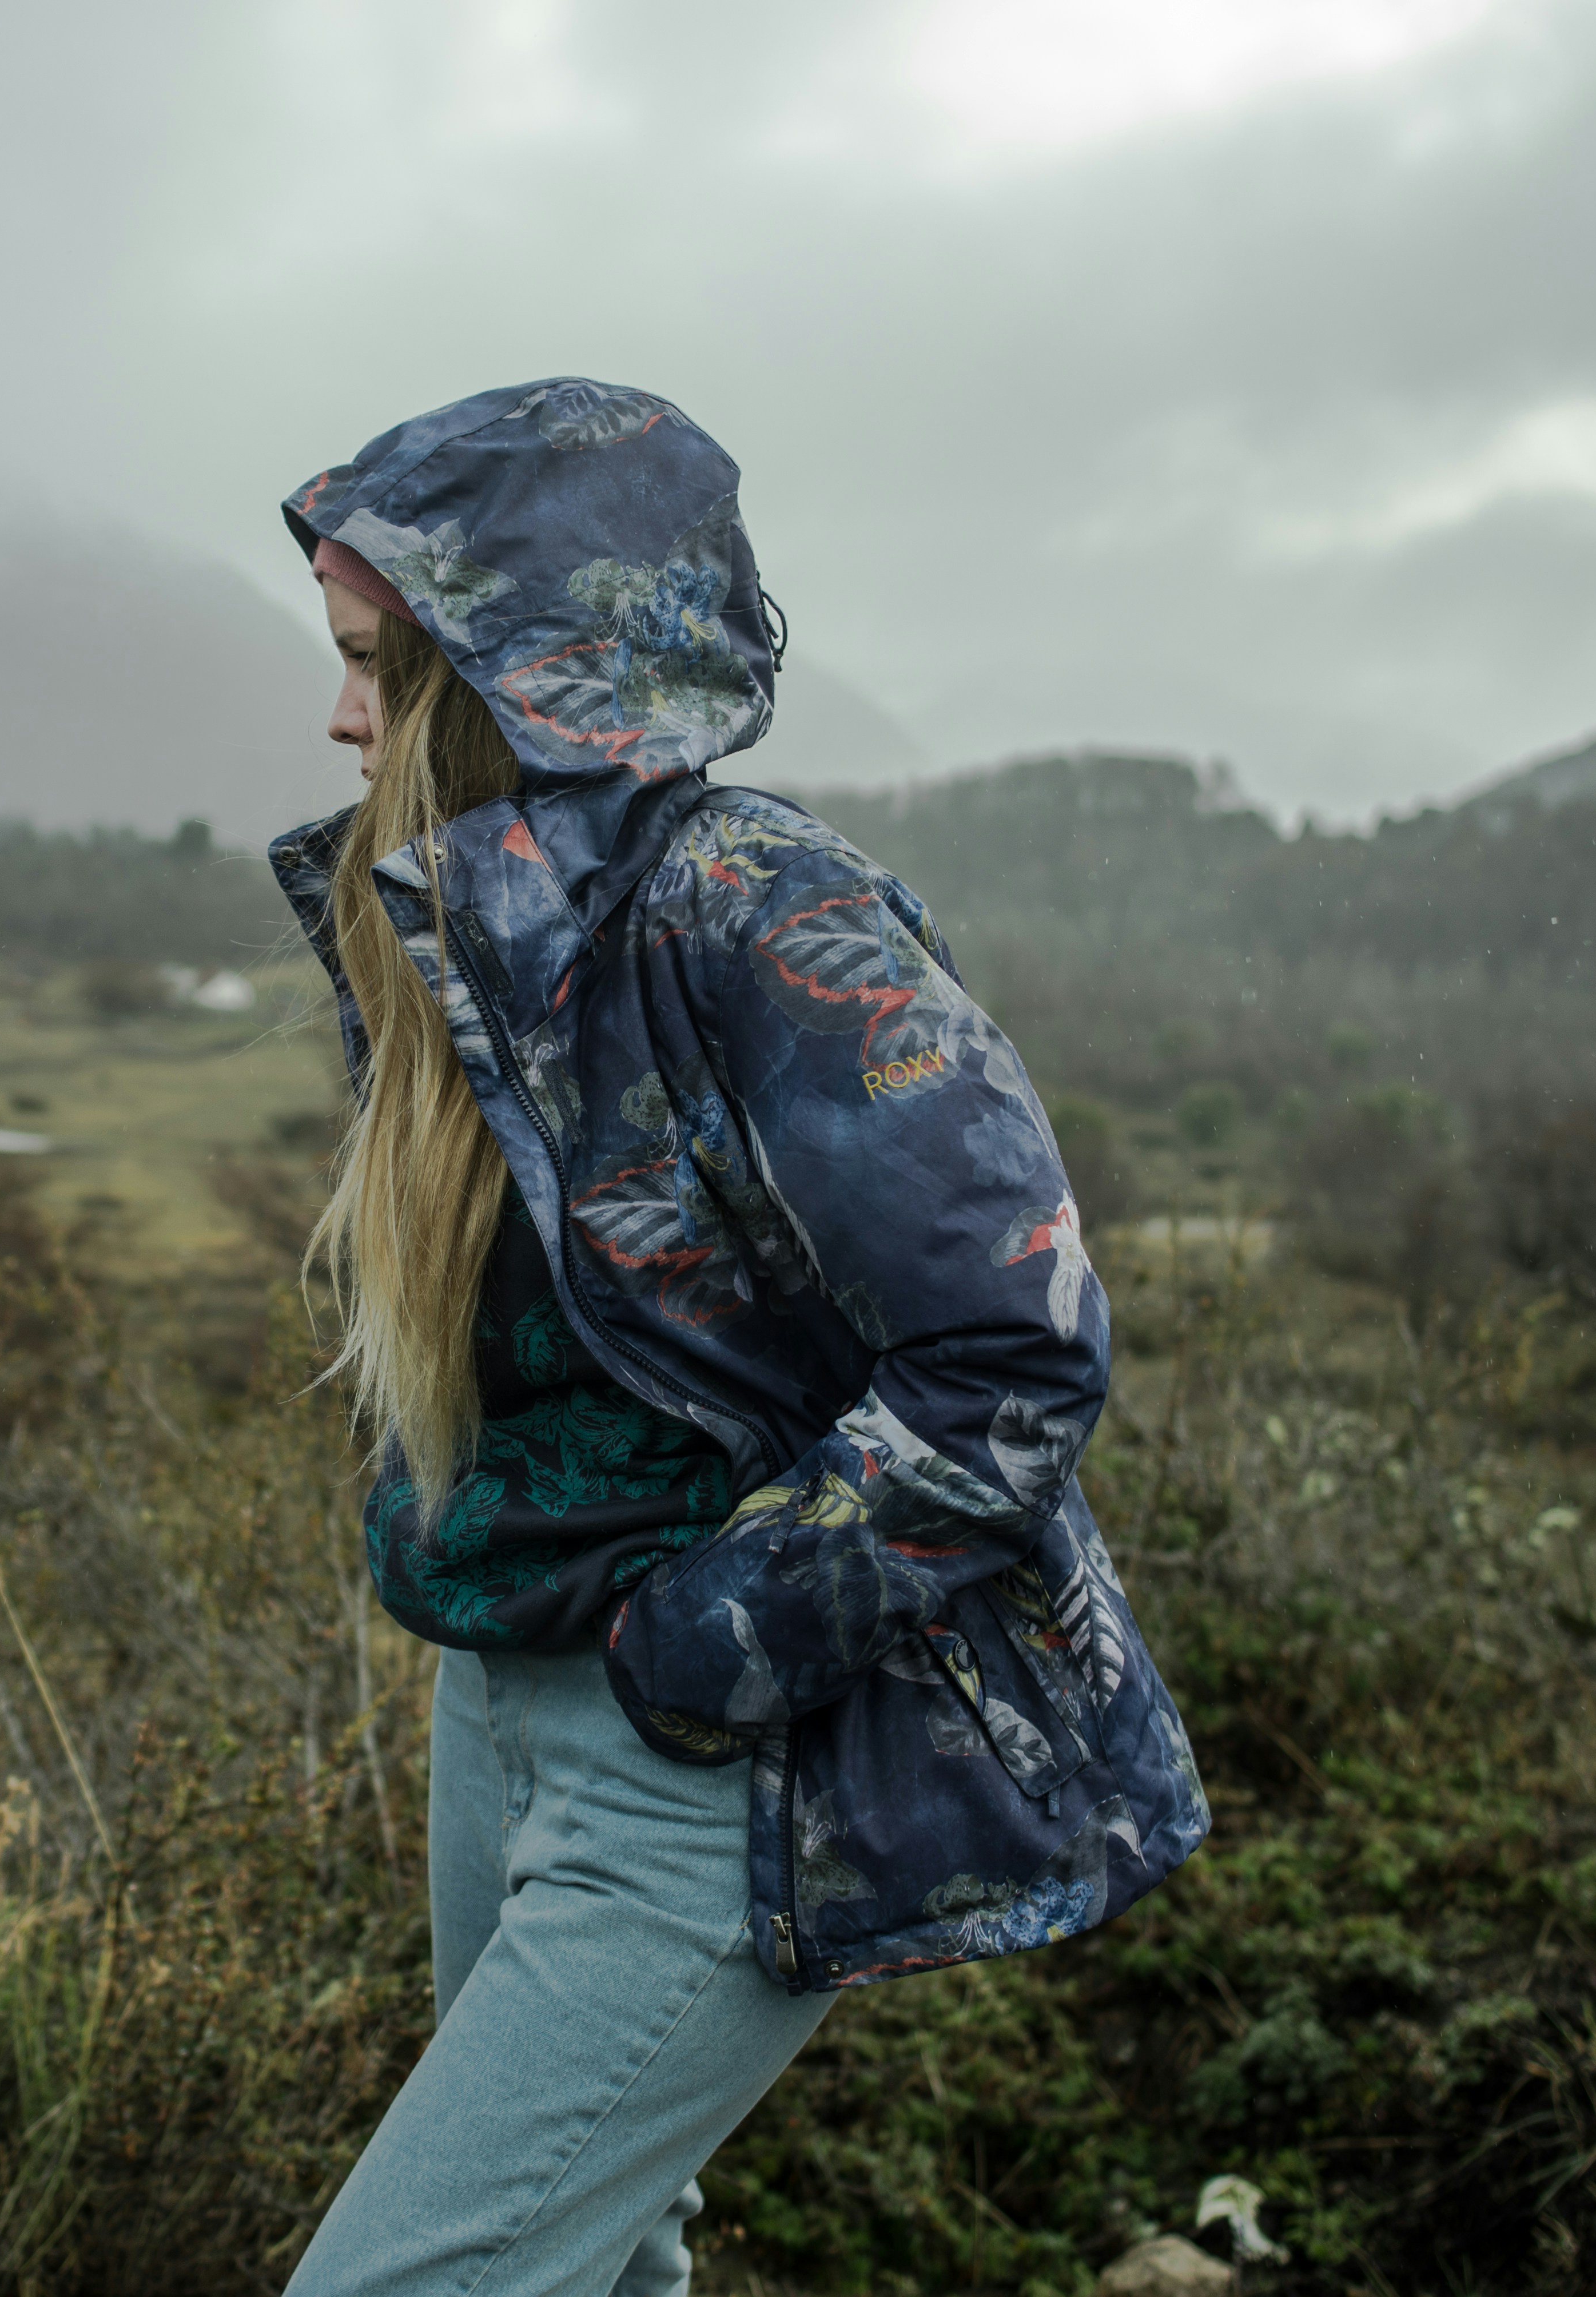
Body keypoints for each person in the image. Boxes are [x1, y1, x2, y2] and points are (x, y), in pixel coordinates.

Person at [270, 380, 1208, 2297]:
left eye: (378, 665)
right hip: (500, 1702)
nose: (342, 716)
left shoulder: (758, 906)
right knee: (600, 2270)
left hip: (701, 1751)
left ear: (515, 669)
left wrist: (711, 1643)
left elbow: (1009, 1351)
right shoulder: (464, 924)